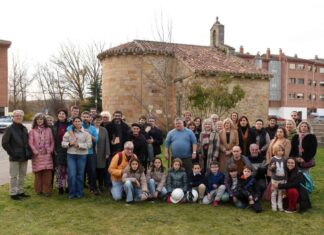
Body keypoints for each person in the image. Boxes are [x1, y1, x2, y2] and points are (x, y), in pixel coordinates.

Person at [2, 110, 31, 200]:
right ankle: (13, 193)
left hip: (24, 156)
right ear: (13, 117)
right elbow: (5, 143)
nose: (18, 117)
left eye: (20, 116)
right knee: (14, 176)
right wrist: (12, 153)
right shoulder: (9, 129)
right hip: (14, 157)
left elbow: (27, 142)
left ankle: (20, 191)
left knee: (22, 175)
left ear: (22, 117)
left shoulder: (24, 128)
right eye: (16, 116)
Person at [62, 117, 92, 199]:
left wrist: (79, 145)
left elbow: (89, 145)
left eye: (79, 121)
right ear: (73, 123)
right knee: (72, 175)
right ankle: (72, 193)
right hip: (71, 155)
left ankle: (79, 193)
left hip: (82, 156)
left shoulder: (86, 133)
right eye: (76, 121)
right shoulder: (68, 132)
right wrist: (69, 144)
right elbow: (63, 143)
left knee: (80, 175)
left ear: (81, 123)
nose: (77, 123)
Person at [28, 113, 55, 196]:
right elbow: (30, 143)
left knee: (47, 173)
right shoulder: (32, 131)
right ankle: (38, 190)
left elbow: (52, 141)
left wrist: (50, 150)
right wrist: (35, 151)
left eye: (41, 119)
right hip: (37, 155)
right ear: (35, 120)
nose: (39, 121)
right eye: (38, 119)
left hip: (47, 154)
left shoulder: (48, 130)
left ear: (44, 120)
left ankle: (46, 190)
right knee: (38, 173)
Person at [52, 109, 69, 194]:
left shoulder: (69, 125)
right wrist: (54, 149)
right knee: (59, 169)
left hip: (68, 149)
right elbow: (52, 138)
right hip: (58, 149)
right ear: (57, 115)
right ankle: (60, 187)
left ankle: (67, 186)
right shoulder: (54, 125)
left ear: (66, 116)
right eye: (60, 113)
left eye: (63, 114)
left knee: (67, 169)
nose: (61, 115)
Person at [93, 114, 110, 193]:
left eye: (99, 120)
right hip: (92, 152)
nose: (98, 121)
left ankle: (100, 185)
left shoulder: (104, 129)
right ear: (93, 121)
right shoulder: (90, 129)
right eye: (96, 120)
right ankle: (93, 186)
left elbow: (107, 141)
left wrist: (107, 152)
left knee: (101, 169)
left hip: (102, 152)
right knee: (93, 170)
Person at [269, 145, 286, 212]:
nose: (280, 152)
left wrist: (285, 178)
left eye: (282, 150)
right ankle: (274, 206)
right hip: (275, 179)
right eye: (279, 150)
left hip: (282, 179)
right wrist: (272, 167)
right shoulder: (273, 159)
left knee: (280, 193)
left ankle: (280, 206)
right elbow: (270, 168)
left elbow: (285, 169)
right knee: (274, 193)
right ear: (275, 151)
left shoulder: (284, 159)